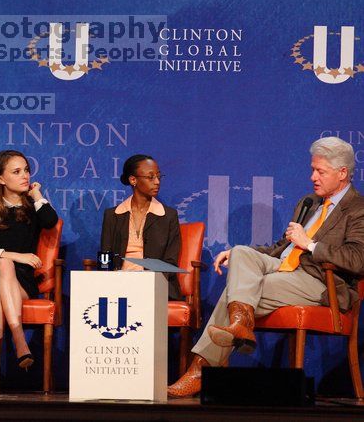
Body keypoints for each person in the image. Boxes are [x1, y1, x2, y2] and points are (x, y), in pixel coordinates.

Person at [168, 136, 364, 398]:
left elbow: (357, 259)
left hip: (319, 281)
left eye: (320, 171)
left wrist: (310, 244)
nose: (312, 177)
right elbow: (280, 248)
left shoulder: (357, 209)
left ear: (342, 173)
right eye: (312, 169)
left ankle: (202, 368)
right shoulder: (310, 203)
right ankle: (241, 325)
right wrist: (237, 256)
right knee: (240, 253)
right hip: (284, 267)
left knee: (237, 292)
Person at [0, 150, 58, 369]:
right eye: (17, 172)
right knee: (3, 265)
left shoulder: (33, 211)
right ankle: (19, 339)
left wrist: (36, 195)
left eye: (26, 170)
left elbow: (50, 221)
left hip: (23, 283)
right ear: (0, 178)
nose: (25, 176)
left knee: (2, 273)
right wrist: (14, 255)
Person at [100, 154, 181, 300]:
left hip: (155, 286)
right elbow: (106, 257)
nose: (157, 182)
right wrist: (108, 282)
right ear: (133, 180)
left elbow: (170, 262)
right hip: (118, 284)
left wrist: (145, 281)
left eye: (158, 176)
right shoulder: (113, 215)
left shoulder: (168, 216)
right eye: (150, 177)